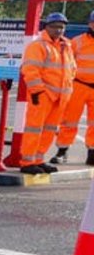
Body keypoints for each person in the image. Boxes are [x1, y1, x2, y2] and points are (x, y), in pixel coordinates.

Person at [19, 12, 76, 174]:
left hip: (60, 97)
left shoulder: (66, 46)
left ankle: (38, 159)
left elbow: (71, 69)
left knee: (49, 130)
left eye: (61, 27)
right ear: (46, 27)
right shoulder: (38, 46)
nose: (58, 30)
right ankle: (27, 162)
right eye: (55, 27)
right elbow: (30, 70)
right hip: (43, 95)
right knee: (34, 128)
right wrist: (38, 91)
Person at [54, 10, 94, 166]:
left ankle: (92, 152)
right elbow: (66, 62)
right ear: (90, 24)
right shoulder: (77, 42)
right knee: (69, 120)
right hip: (79, 85)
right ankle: (62, 151)